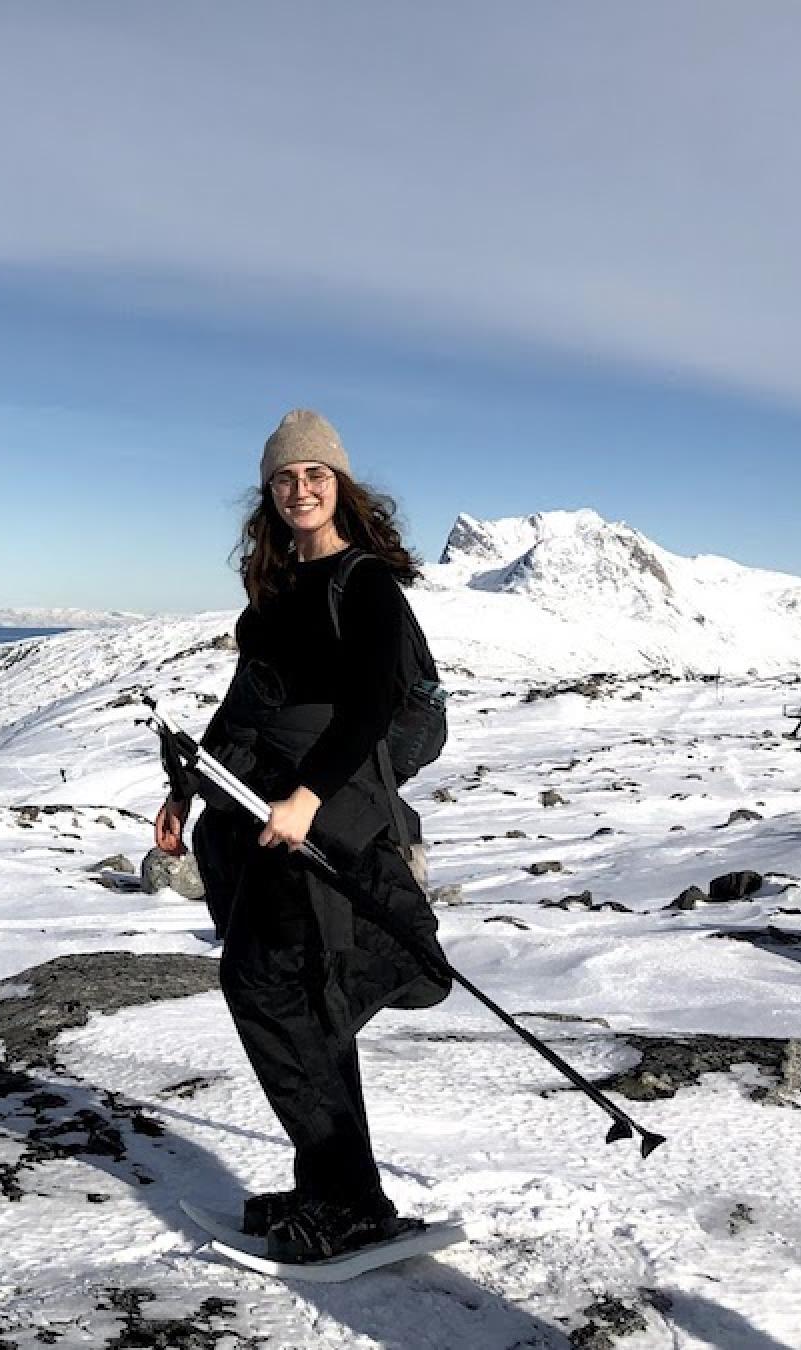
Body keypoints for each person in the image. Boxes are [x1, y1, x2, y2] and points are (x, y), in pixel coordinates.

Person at [154, 408, 453, 1263]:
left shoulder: (365, 584)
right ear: (270, 493)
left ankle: (347, 1199)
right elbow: (245, 707)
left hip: (325, 817)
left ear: (341, 485)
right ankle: (342, 1190)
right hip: (261, 811)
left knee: (269, 988)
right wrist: (183, 787)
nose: (301, 489)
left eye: (315, 474)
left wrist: (309, 797)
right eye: (285, 478)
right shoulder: (276, 596)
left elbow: (367, 709)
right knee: (302, 996)